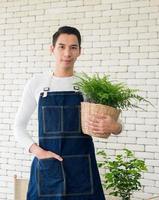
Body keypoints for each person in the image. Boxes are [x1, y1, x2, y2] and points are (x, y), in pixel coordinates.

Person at [14, 26, 122, 200]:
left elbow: (112, 127)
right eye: (62, 46)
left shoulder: (89, 85)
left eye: (73, 47)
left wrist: (114, 126)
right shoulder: (37, 84)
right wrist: (38, 152)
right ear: (52, 49)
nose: (67, 53)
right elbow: (18, 126)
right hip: (48, 166)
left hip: (82, 169)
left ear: (80, 51)